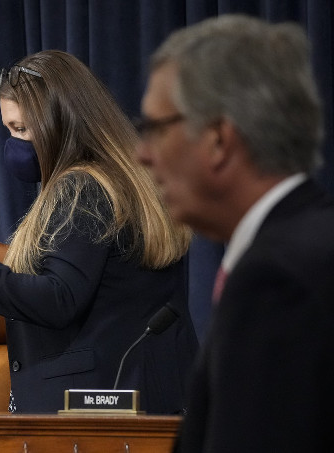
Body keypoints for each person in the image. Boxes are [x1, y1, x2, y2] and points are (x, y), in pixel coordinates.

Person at [0, 50, 198, 414]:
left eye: (21, 129)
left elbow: (59, 298)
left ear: (62, 123)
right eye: (8, 129)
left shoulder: (82, 188)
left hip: (93, 408)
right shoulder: (132, 180)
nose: (13, 143)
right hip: (152, 393)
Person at [136, 15, 334, 451]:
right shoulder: (307, 245)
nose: (142, 154)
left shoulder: (278, 279)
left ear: (218, 140)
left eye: (155, 129)